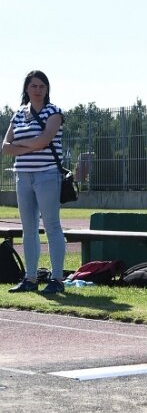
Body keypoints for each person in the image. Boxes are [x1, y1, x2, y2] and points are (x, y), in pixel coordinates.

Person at [1, 70, 67, 294]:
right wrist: (32, 145)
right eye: (34, 86)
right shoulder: (18, 113)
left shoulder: (54, 112)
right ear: (26, 89)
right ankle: (30, 278)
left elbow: (45, 140)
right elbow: (5, 147)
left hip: (47, 174)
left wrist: (23, 147)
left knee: (52, 226)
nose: (38, 90)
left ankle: (57, 279)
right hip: (23, 176)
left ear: (47, 89)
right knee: (28, 229)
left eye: (42, 86)